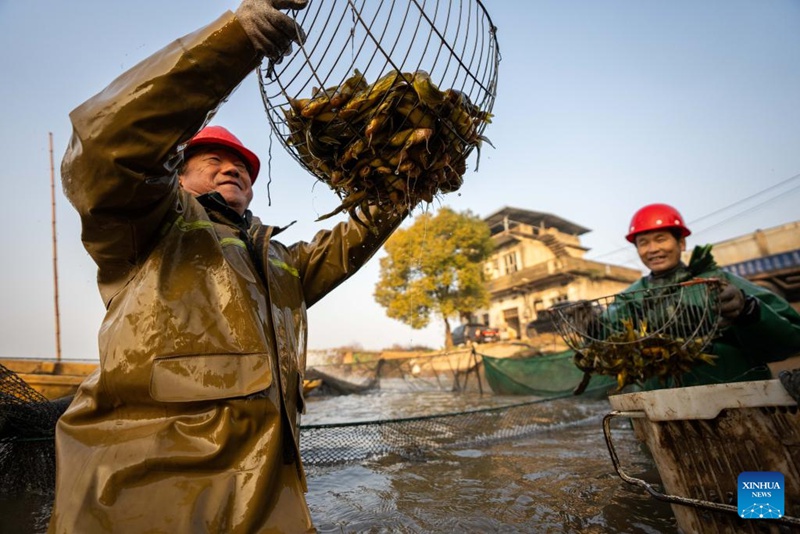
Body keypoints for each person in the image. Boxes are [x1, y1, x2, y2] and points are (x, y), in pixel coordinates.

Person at [49, 2, 410, 532]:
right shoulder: (145, 223)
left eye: (241, 166)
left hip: (271, 501)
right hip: (139, 499)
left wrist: (404, 184)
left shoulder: (279, 261)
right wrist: (233, 41)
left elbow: (350, 238)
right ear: (175, 171)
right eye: (212, 160)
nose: (231, 167)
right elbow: (107, 150)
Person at [621, 202, 800, 388]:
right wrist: (591, 323)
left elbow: (792, 337)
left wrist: (748, 310)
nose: (653, 249)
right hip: (659, 407)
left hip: (737, 396)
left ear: (681, 243)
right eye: (643, 243)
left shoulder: (718, 280)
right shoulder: (630, 297)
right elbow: (607, 334)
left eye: (660, 239)